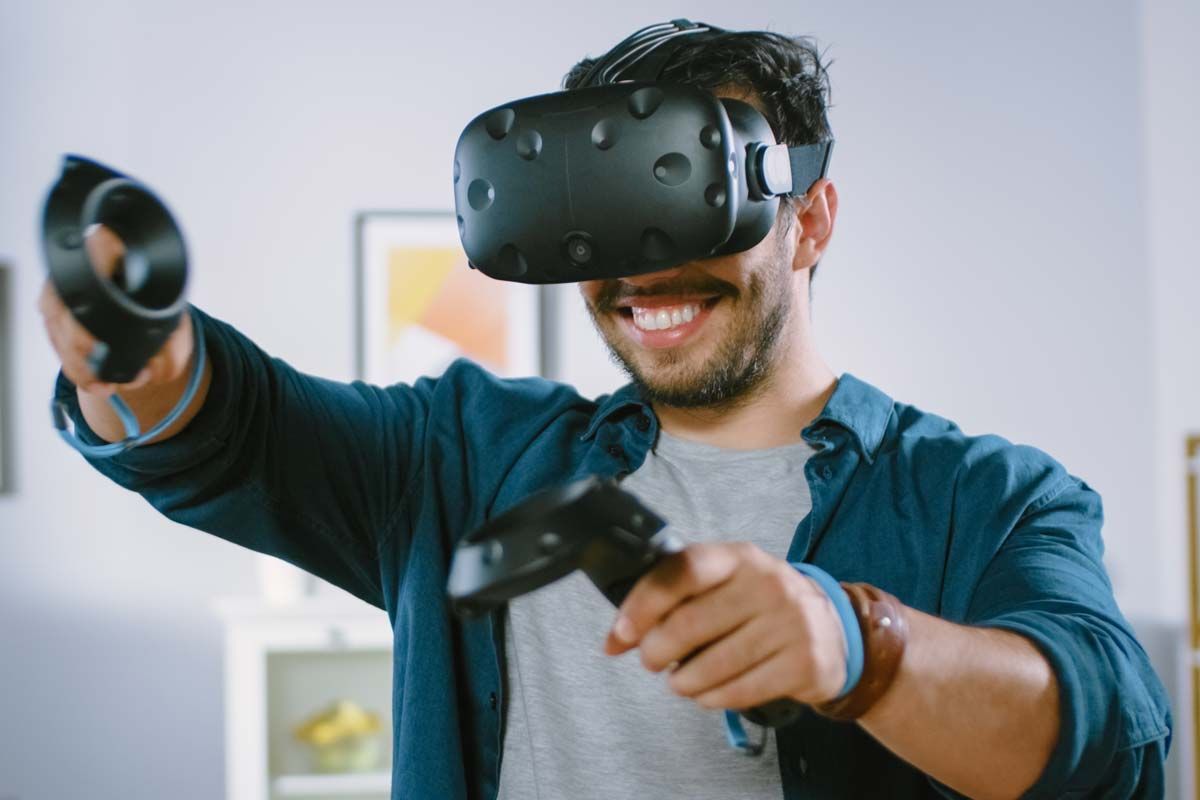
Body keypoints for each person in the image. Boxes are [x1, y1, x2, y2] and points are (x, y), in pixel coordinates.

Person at [39, 23, 1170, 800]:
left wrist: (856, 645)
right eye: (611, 220)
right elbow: (234, 427)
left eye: (687, 197)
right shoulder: (465, 456)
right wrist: (132, 346)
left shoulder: (991, 498)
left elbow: (1105, 739)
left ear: (810, 219)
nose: (646, 270)